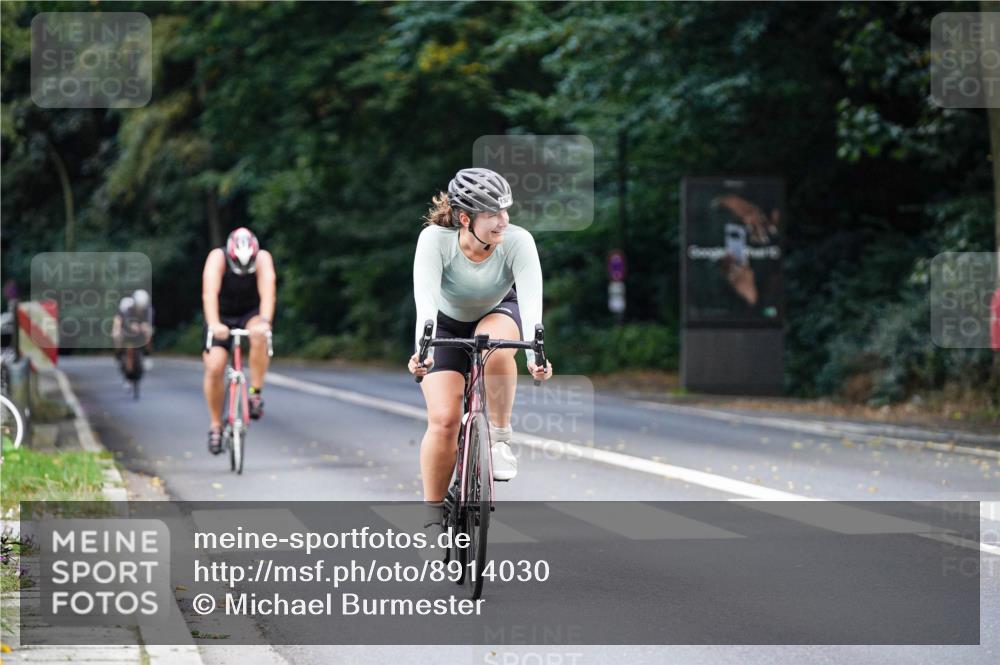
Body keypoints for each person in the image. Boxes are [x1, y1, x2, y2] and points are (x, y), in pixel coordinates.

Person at [407, 168, 553, 520]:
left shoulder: (518, 242)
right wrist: (423, 353)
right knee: (444, 421)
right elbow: (425, 303)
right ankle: (432, 513)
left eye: (506, 211)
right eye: (493, 214)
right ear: (465, 218)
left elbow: (532, 305)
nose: (504, 221)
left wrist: (535, 356)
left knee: (493, 343)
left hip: (498, 312)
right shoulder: (434, 241)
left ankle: (499, 438)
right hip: (446, 324)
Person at [201, 227, 276, 454]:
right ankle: (216, 425)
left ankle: (255, 393)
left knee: (260, 335)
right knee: (215, 367)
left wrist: (265, 321)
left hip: (250, 314)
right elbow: (209, 294)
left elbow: (268, 294)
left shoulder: (263, 258)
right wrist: (214, 324)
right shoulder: (217, 258)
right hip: (221, 315)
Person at [111, 291, 154, 377]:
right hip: (128, 330)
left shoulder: (149, 310)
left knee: (149, 333)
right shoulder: (127, 311)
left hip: (139, 329)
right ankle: (118, 354)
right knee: (117, 335)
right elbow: (120, 323)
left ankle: (147, 355)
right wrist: (129, 327)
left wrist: (144, 327)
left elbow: (149, 322)